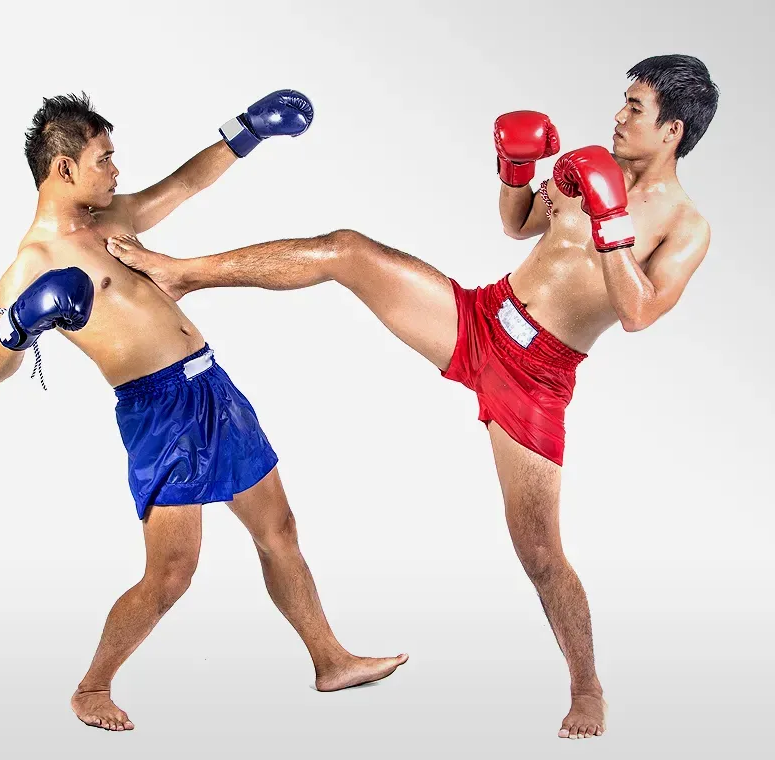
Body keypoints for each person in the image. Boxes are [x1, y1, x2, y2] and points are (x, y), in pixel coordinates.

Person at [105, 55, 719, 740]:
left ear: (672, 130)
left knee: (541, 556)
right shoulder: (583, 166)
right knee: (347, 250)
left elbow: (638, 311)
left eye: (635, 108)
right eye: (622, 101)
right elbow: (518, 226)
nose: (617, 116)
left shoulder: (686, 225)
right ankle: (186, 275)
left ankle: (588, 688)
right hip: (482, 319)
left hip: (537, 377)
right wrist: (514, 169)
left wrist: (610, 220)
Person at [0, 92, 407, 732]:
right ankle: (92, 688)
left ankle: (330, 659)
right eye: (105, 158)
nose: (116, 171)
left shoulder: (110, 217)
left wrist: (248, 132)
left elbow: (183, 184)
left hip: (214, 389)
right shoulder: (31, 264)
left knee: (279, 530)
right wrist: (18, 323)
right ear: (63, 167)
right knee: (172, 574)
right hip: (160, 413)